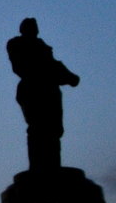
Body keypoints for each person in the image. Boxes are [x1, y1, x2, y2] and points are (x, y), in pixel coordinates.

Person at [6, 18, 79, 171]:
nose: (35, 30)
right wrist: (55, 73)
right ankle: (38, 167)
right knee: (38, 127)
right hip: (33, 89)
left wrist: (69, 77)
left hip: (49, 90)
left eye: (35, 27)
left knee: (53, 129)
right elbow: (24, 66)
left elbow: (54, 65)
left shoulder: (43, 47)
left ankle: (52, 166)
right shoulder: (17, 44)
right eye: (32, 27)